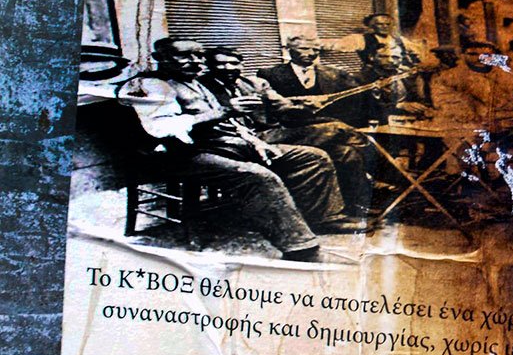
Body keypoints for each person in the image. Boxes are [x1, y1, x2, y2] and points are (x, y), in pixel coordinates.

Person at [117, 37, 363, 261]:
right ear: (159, 58)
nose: (195, 61)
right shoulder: (150, 85)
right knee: (259, 176)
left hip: (222, 146)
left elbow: (230, 122)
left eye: (199, 55)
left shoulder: (194, 83)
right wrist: (224, 111)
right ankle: (301, 247)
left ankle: (322, 218)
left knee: (311, 157)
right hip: (181, 155)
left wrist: (257, 142)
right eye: (184, 55)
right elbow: (161, 128)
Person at [200, 47, 375, 217]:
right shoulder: (202, 87)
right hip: (243, 140)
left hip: (271, 133)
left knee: (345, 152)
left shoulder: (254, 83)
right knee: (339, 129)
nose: (228, 68)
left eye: (234, 63)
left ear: (242, 65)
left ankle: (356, 206)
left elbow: (283, 105)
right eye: (221, 64)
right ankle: (386, 173)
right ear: (209, 66)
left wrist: (305, 105)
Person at [257, 36, 365, 126]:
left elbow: (352, 104)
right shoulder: (269, 74)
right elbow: (266, 111)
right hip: (290, 130)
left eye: (316, 50)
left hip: (330, 127)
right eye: (304, 48)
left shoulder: (336, 74)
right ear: (289, 49)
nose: (310, 53)